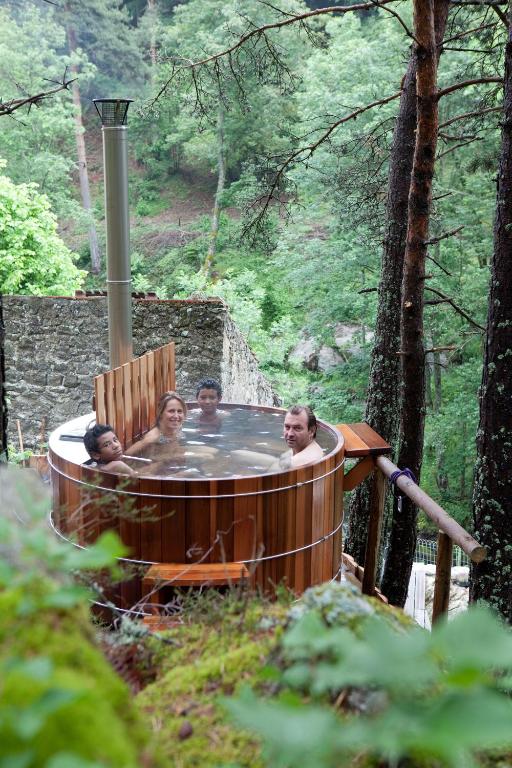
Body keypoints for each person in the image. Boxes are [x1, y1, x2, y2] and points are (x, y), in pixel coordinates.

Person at [125, 391, 187, 456]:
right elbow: (126, 455)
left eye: (179, 411)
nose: (176, 416)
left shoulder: (176, 428)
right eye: (171, 411)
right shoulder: (152, 438)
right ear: (160, 413)